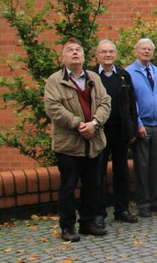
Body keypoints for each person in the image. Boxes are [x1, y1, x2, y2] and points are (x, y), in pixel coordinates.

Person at [44, 38, 111, 241]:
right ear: (63, 57)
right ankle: (67, 226)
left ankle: (88, 222)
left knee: (93, 185)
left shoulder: (93, 78)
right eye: (70, 50)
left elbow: (105, 102)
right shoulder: (54, 81)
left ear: (84, 56)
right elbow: (53, 108)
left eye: (78, 50)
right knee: (68, 187)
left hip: (94, 142)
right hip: (68, 145)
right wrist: (79, 125)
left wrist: (95, 124)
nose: (75, 53)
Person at [90, 39, 138, 226]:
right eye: (104, 52)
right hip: (99, 131)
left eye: (111, 52)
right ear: (97, 55)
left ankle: (122, 209)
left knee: (122, 171)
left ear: (115, 54)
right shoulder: (91, 75)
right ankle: (99, 212)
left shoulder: (124, 75)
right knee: (98, 172)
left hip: (121, 131)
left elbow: (131, 103)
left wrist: (132, 127)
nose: (108, 55)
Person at [126, 38, 157, 217]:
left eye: (149, 50)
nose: (146, 52)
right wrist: (138, 124)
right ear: (136, 51)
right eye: (143, 49)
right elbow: (131, 101)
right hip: (143, 125)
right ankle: (143, 203)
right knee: (142, 165)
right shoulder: (129, 72)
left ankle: (155, 199)